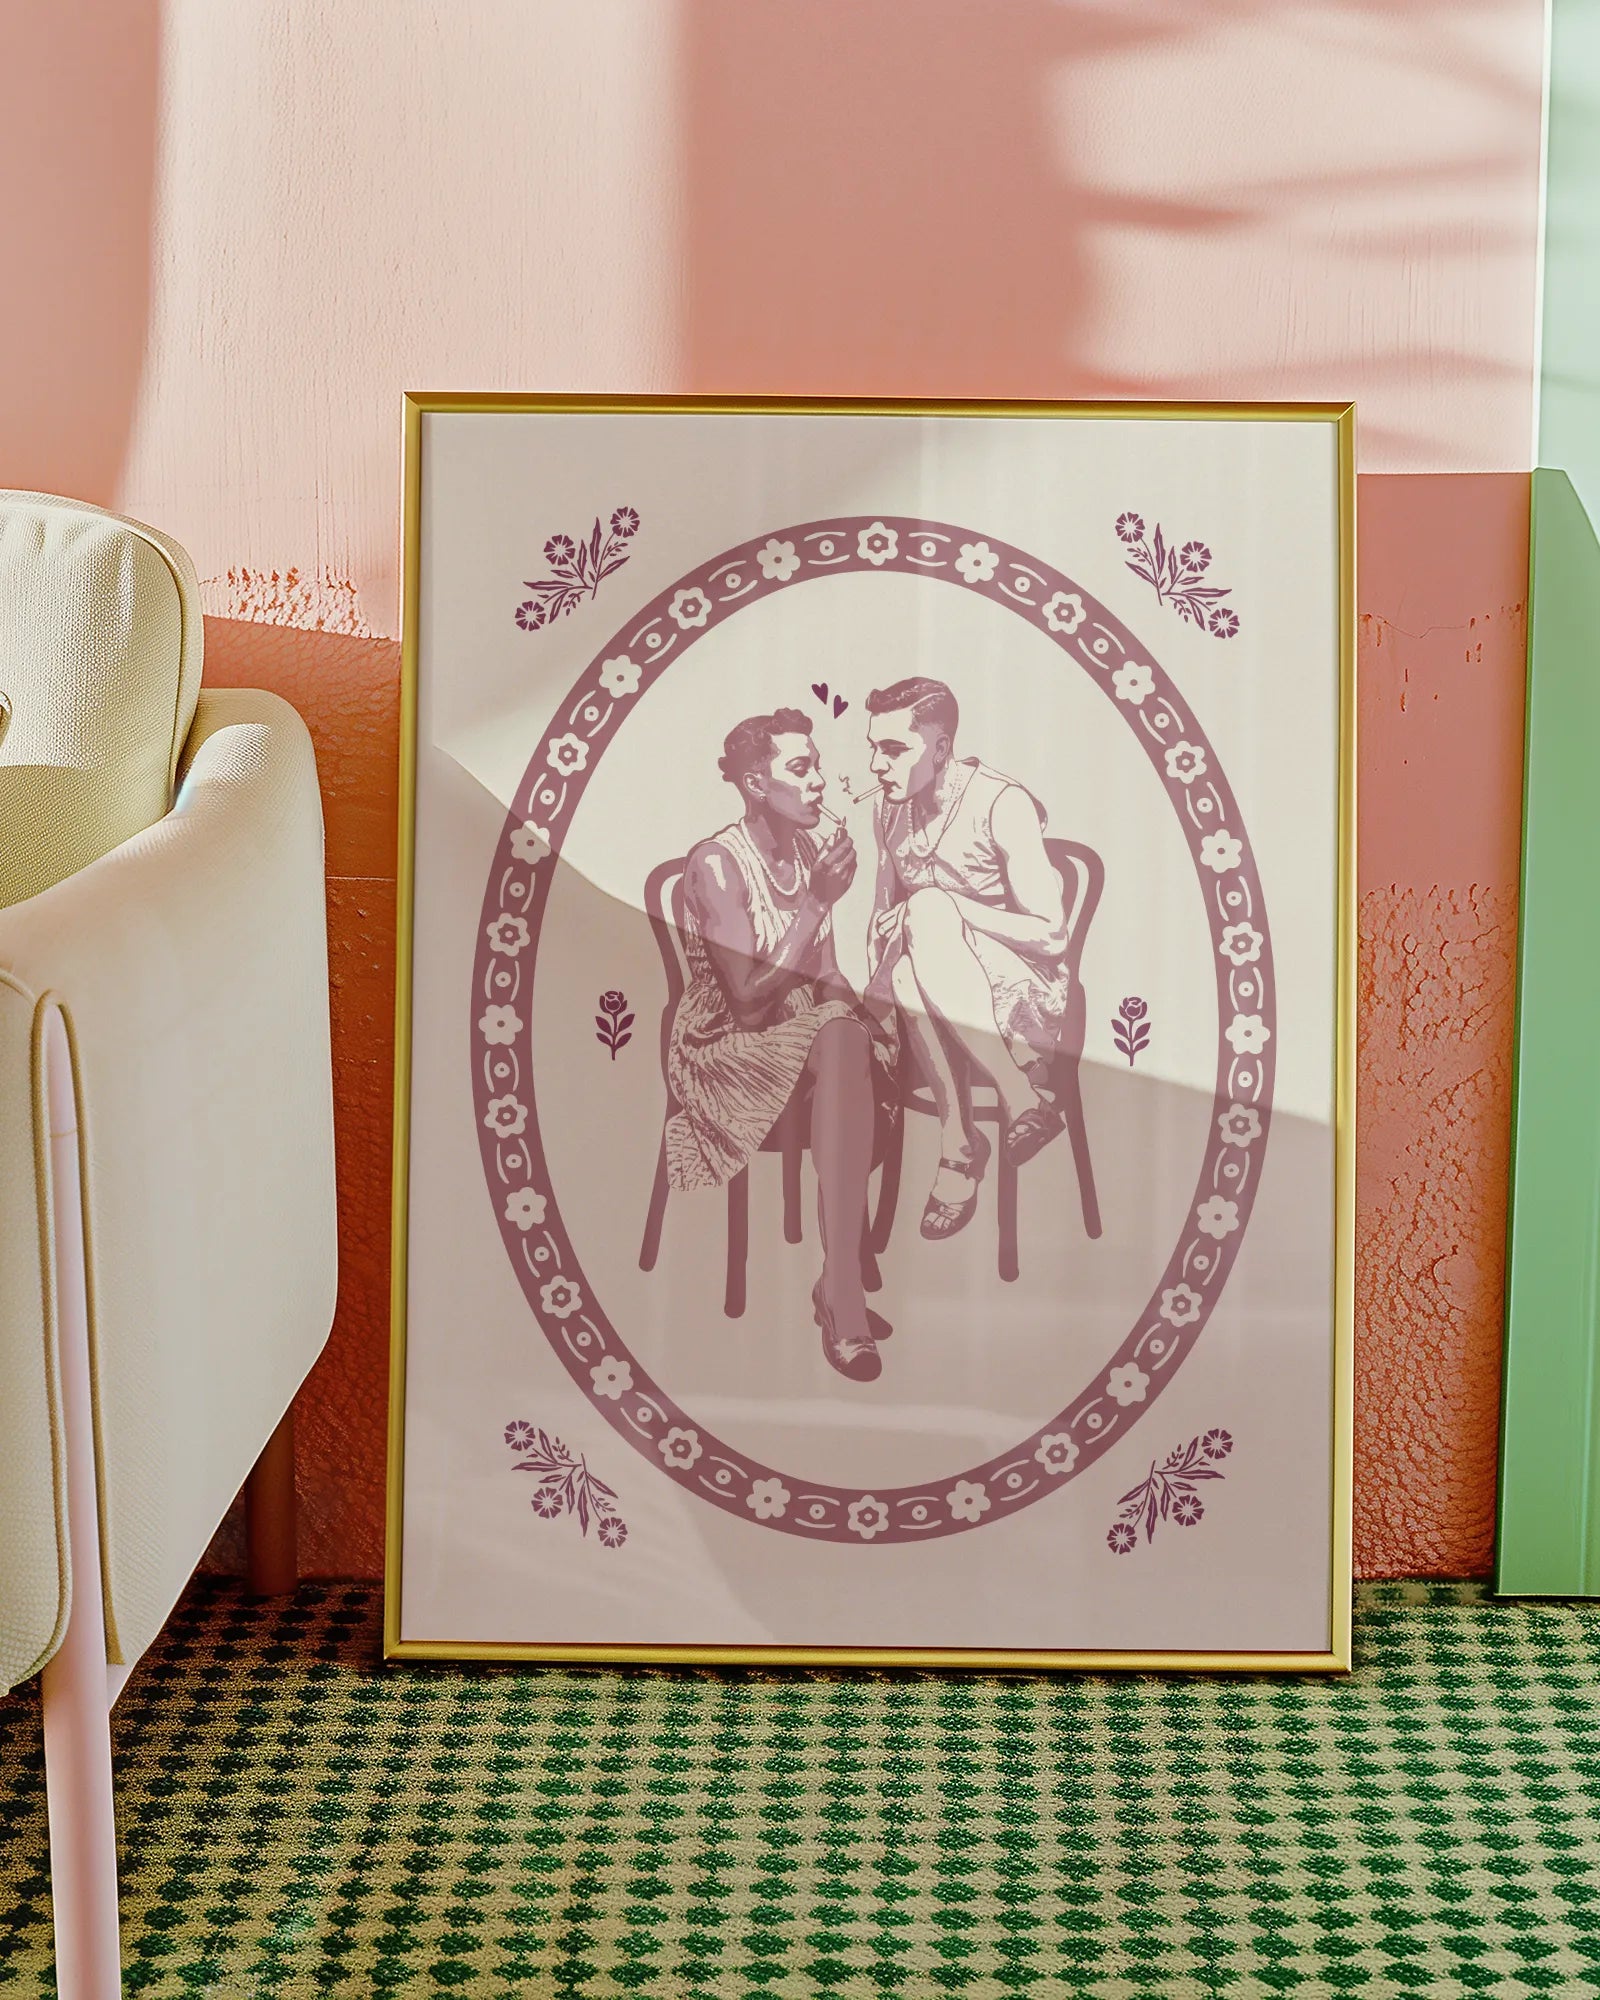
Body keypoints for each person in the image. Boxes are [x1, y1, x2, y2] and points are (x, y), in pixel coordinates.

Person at [667, 709, 893, 1381]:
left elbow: (822, 974)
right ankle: (843, 1291)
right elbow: (744, 998)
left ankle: (840, 1278)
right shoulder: (715, 862)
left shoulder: (802, 855)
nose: (821, 782)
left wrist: (865, 1018)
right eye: (802, 768)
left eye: (818, 765)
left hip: (796, 1035)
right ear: (757, 785)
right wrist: (819, 904)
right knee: (843, 1038)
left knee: (864, 1033)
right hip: (723, 1046)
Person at [863, 675, 1072, 1240]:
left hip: (1020, 989)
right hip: (929, 989)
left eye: (893, 750)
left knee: (928, 908)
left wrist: (947, 905)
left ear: (940, 747)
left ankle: (963, 1147)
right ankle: (1002, 1113)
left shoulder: (1002, 803)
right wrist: (880, 957)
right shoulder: (888, 811)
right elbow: (880, 915)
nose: (878, 766)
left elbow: (1051, 936)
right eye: (873, 749)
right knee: (907, 964)